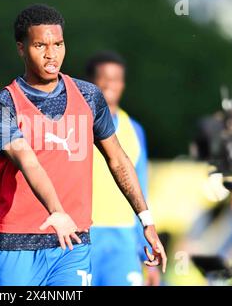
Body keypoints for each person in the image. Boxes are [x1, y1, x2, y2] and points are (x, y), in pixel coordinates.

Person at [0, 4, 166, 286]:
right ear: (21, 48)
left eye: (58, 44)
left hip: (73, 245)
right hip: (16, 246)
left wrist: (147, 221)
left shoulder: (90, 97)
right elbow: (29, 162)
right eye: (40, 45)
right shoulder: (1, 106)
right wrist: (57, 211)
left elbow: (118, 159)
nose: (51, 54)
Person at [86, 51, 160, 286]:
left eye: (116, 78)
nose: (110, 84)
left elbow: (141, 187)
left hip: (123, 241)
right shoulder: (75, 126)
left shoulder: (134, 130)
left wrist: (146, 250)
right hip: (83, 236)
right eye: (103, 78)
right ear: (90, 83)